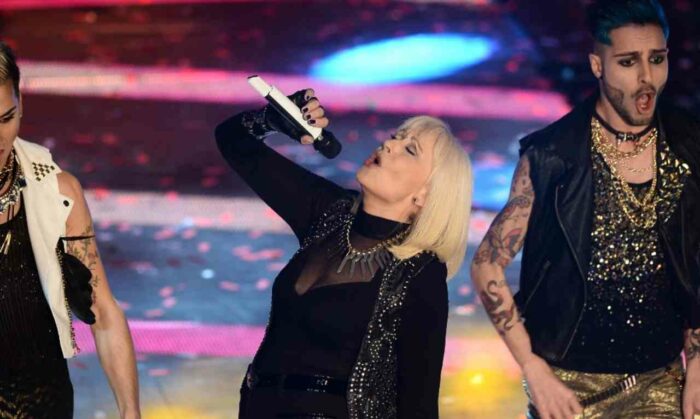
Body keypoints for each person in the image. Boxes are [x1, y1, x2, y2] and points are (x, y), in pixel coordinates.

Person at [471, 0, 700, 417]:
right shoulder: (552, 156)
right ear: (598, 65)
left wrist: (697, 360)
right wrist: (532, 367)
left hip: (661, 381)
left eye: (657, 59)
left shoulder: (688, 146)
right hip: (570, 389)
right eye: (628, 62)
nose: (647, 78)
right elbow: (487, 264)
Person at [215, 88, 472, 418]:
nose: (389, 145)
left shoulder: (419, 272)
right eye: (396, 137)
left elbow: (418, 404)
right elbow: (232, 139)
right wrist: (275, 119)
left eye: (409, 149)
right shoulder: (329, 213)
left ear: (425, 195)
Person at [0, 42, 140, 418]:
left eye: (6, 118)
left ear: (21, 105)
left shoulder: (57, 193)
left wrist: (131, 412)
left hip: (42, 398)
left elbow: (102, 309)